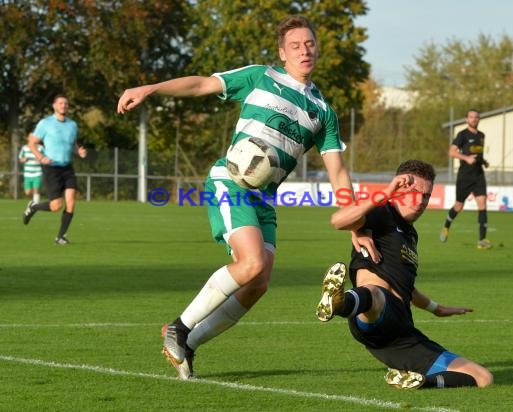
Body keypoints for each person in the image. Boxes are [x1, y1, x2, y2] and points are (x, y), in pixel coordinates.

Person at [117, 15, 371, 380]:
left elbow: (338, 171)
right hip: (231, 183)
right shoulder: (260, 77)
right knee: (251, 263)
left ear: (318, 50)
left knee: (259, 282)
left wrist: (353, 223)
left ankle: (187, 341)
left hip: (265, 200)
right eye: (296, 46)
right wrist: (151, 88)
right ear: (283, 53)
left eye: (310, 44)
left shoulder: (323, 112)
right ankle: (179, 327)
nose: (305, 50)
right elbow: (203, 84)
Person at [316, 159, 493, 390]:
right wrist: (387, 192)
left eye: (426, 196)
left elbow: (407, 289)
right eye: (415, 192)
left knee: (482, 378)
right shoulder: (380, 212)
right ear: (400, 189)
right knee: (376, 295)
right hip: (372, 314)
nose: (420, 201)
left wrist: (437, 309)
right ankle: (338, 303)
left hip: (401, 334)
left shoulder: (411, 235)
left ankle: (419, 382)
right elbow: (338, 221)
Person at [23, 94, 87, 244]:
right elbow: (32, 143)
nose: (63, 106)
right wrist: (40, 157)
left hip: (67, 168)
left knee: (71, 202)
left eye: (66, 103)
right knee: (56, 206)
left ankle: (60, 237)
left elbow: (72, 145)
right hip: (51, 168)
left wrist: (79, 152)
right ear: (54, 106)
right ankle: (34, 207)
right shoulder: (45, 123)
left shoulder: (72, 125)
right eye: (60, 103)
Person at [439, 109, 491, 249]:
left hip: (479, 175)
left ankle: (482, 240)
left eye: (476, 117)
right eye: (471, 117)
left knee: (483, 204)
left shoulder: (481, 135)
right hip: (465, 176)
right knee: (459, 206)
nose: (474, 119)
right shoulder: (462, 135)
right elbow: (452, 152)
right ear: (466, 119)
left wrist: (483, 161)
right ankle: (446, 225)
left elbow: (476, 154)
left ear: (479, 119)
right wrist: (466, 158)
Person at [19, 138, 45, 204]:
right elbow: (20, 158)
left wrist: (40, 159)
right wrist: (23, 159)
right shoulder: (24, 148)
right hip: (27, 174)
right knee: (28, 192)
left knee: (36, 190)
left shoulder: (41, 148)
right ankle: (33, 201)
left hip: (38, 173)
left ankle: (35, 205)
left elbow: (45, 158)